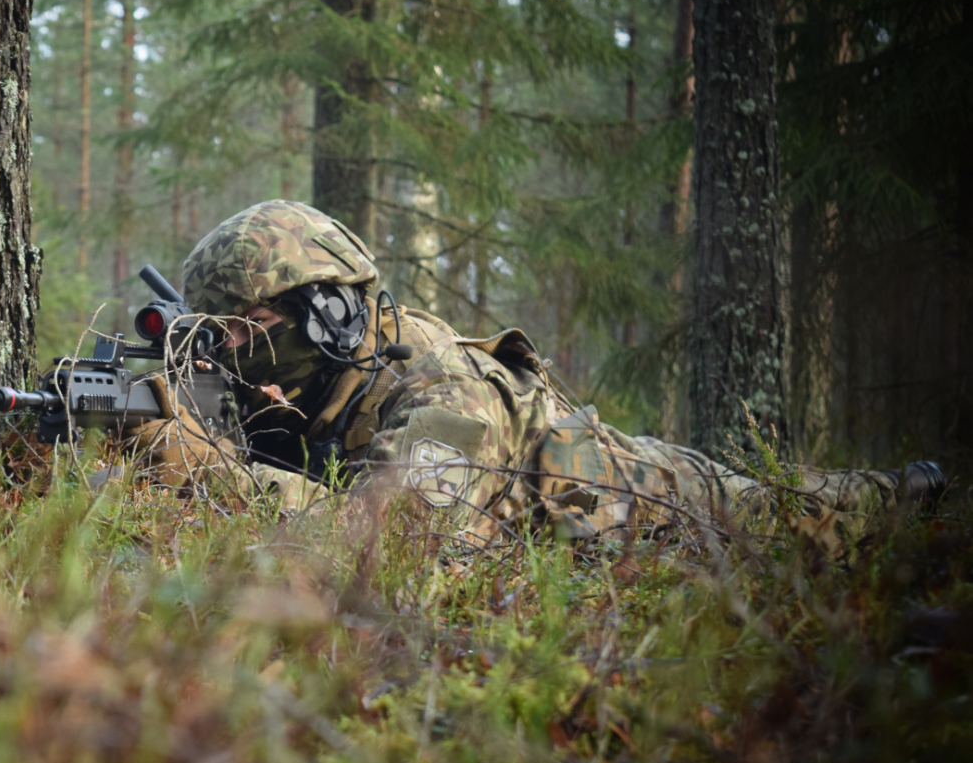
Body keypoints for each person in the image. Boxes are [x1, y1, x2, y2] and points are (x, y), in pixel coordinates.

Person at [132, 200, 946, 552]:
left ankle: (909, 495)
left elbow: (398, 542)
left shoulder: (442, 390)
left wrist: (216, 475)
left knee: (799, 518)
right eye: (221, 335)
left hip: (637, 508)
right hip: (561, 530)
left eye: (252, 329)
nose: (236, 352)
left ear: (330, 314)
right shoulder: (314, 377)